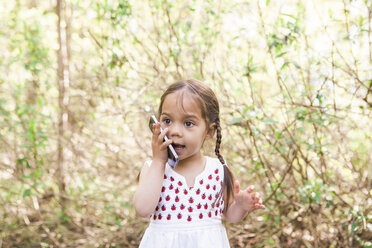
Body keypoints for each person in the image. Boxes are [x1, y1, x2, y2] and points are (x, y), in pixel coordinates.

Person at [133, 79, 265, 248]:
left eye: (188, 123)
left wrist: (240, 205)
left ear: (209, 131)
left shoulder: (219, 170)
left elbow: (230, 215)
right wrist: (159, 161)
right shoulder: (153, 169)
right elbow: (143, 209)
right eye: (167, 120)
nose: (174, 131)